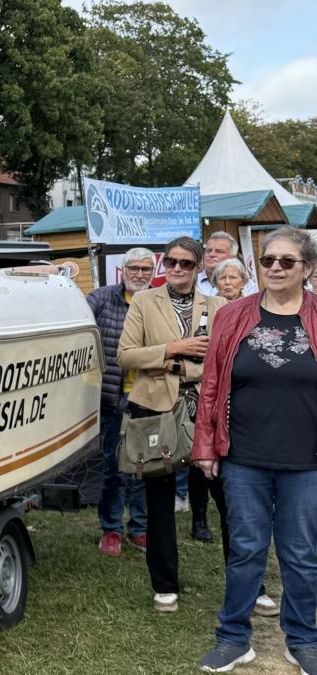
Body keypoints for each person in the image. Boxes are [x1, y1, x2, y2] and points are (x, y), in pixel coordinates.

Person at [194, 227, 317, 673]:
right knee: (245, 549)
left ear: (307, 268)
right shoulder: (233, 316)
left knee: (301, 554)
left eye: (287, 261)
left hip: (306, 462)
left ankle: (303, 640)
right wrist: (205, 445)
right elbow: (210, 387)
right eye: (268, 260)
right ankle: (233, 637)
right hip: (242, 457)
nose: (276, 268)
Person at [117, 236, 226, 613]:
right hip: (155, 411)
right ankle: (165, 585)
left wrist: (187, 367)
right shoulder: (146, 301)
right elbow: (126, 355)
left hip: (207, 412)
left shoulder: (218, 305)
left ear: (199, 267)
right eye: (172, 263)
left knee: (227, 497)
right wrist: (172, 352)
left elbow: (224, 359)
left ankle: (251, 582)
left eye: (186, 264)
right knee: (159, 500)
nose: (177, 269)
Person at [89, 248, 153, 557]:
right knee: (114, 466)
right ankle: (111, 529)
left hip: (148, 396)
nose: (140, 274)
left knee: (143, 467)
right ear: (122, 270)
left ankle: (139, 529)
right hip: (112, 397)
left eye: (146, 269)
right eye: (134, 268)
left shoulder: (160, 303)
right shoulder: (102, 298)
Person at [198, 231, 258, 297]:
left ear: (232, 257)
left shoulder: (247, 285)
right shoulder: (193, 282)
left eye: (219, 251)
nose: (211, 254)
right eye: (208, 251)